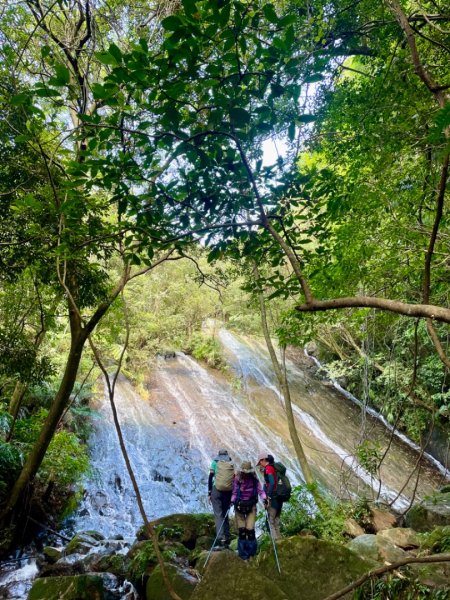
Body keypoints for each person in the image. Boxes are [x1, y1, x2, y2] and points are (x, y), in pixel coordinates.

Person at [231, 460, 266, 560]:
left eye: (247, 472)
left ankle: (252, 554)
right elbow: (234, 493)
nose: (245, 474)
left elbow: (260, 491)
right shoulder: (237, 479)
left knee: (250, 530)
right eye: (244, 472)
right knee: (242, 531)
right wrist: (231, 501)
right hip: (239, 506)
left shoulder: (254, 479)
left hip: (251, 506)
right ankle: (243, 555)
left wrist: (265, 499)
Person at [208, 448, 234, 548]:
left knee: (218, 514)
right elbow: (233, 479)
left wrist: (209, 493)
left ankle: (220, 539)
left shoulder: (215, 463)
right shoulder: (230, 463)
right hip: (228, 492)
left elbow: (210, 477)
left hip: (217, 491)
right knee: (225, 514)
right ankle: (227, 538)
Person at [257, 452, 283, 540]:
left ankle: (275, 542)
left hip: (274, 497)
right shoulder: (274, 468)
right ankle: (279, 540)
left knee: (270, 521)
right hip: (279, 496)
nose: (260, 464)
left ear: (264, 460)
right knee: (276, 520)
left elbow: (271, 483)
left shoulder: (268, 469)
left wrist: (268, 497)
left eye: (260, 462)